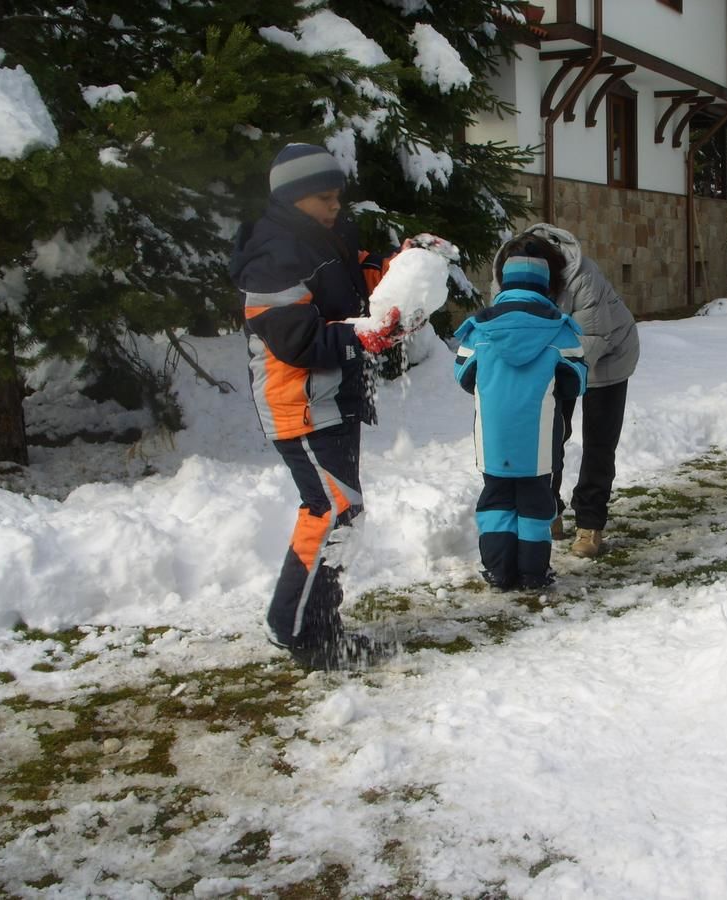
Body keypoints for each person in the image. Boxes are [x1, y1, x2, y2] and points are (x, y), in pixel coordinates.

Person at [228, 142, 410, 671]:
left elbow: (355, 278)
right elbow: (297, 342)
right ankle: (296, 629)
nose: (336, 207)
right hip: (299, 404)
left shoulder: (326, 235)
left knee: (341, 511)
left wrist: (402, 265)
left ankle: (318, 623)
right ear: (294, 198)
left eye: (337, 198)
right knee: (330, 509)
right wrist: (364, 339)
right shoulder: (272, 256)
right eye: (325, 199)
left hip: (334, 398)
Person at [490, 224, 640, 558]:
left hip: (607, 352)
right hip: (556, 353)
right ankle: (551, 509)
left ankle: (590, 523)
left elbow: (592, 340)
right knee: (550, 434)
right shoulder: (507, 274)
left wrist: (542, 371)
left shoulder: (582, 277)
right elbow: (502, 329)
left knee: (599, 439)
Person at [454, 238, 587, 590]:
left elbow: (463, 375)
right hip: (539, 437)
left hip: (493, 434)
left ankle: (498, 570)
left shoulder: (479, 328)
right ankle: (532, 573)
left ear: (504, 281)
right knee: (535, 501)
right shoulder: (560, 329)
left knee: (496, 497)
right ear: (545, 285)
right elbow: (576, 380)